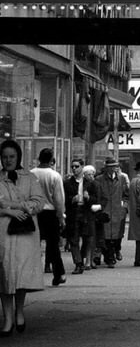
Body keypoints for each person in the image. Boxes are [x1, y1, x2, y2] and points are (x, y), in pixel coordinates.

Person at [0, 137, 45, 335]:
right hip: (3, 233)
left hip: (25, 234)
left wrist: (26, 207)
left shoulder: (29, 178)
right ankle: (7, 318)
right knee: (4, 274)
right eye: (4, 157)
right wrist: (12, 209)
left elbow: (39, 201)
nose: (8, 160)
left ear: (18, 157)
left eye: (12, 156)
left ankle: (19, 312)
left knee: (21, 274)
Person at [30, 147, 66, 287]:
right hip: (50, 213)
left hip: (34, 213)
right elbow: (59, 199)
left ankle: (32, 275)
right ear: (51, 160)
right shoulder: (54, 176)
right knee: (53, 245)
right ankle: (58, 274)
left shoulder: (31, 174)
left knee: (33, 245)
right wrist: (61, 216)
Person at [90, 157, 129, 267]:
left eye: (115, 167)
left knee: (115, 236)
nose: (113, 169)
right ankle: (108, 257)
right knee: (104, 235)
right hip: (104, 210)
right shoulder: (99, 179)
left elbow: (126, 195)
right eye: (111, 167)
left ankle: (110, 255)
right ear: (106, 168)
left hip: (117, 210)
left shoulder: (121, 179)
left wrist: (124, 207)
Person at [68, 163, 99, 273]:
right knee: (74, 239)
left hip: (86, 213)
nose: (74, 169)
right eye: (72, 167)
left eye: (77, 166)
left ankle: (83, 258)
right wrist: (72, 199)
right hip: (74, 212)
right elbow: (64, 198)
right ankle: (78, 263)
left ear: (82, 168)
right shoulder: (67, 182)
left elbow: (97, 198)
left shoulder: (90, 183)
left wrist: (89, 197)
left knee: (87, 238)